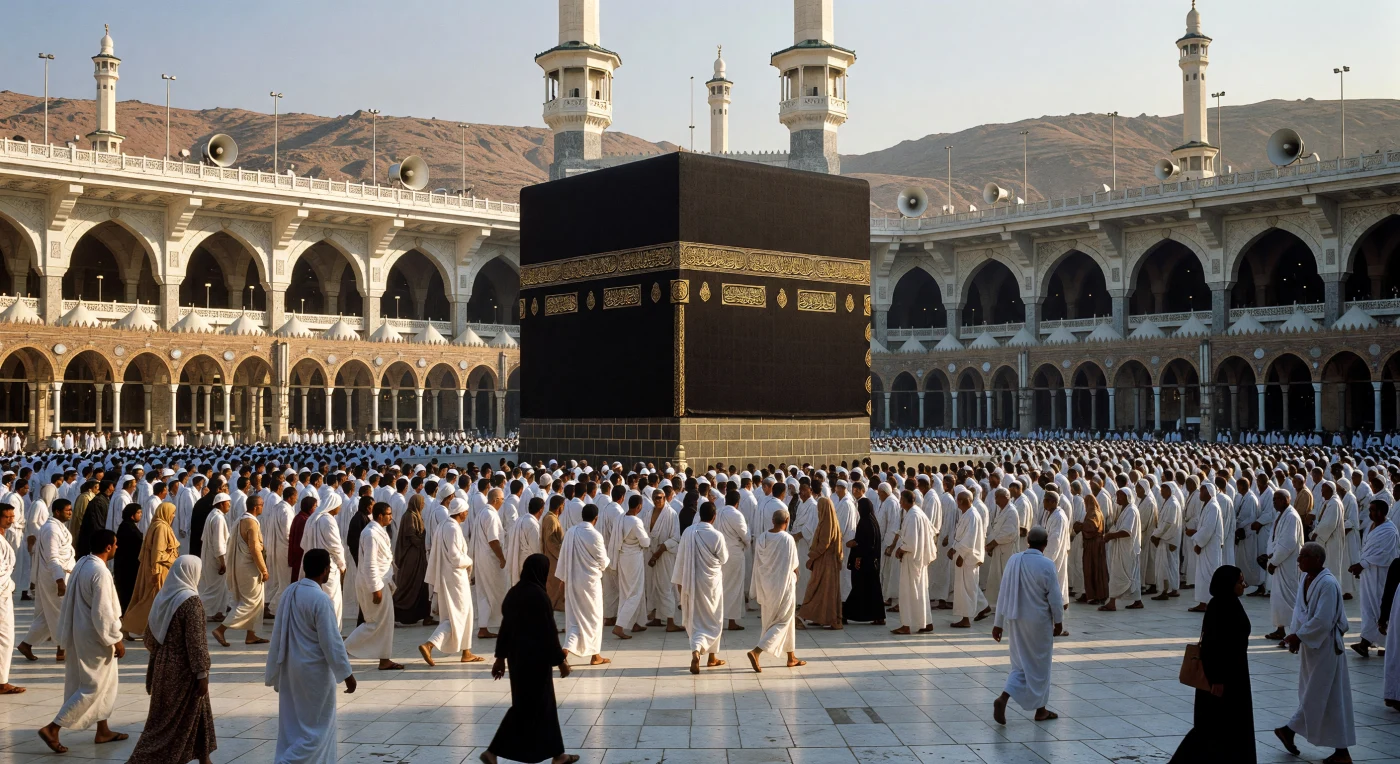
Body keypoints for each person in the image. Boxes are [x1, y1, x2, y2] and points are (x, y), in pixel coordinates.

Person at [481, 554, 578, 764]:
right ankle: (493, 751)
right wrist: (561, 660)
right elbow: (549, 632)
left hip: (518, 660)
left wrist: (500, 659)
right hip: (536, 660)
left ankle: (558, 754)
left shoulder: (514, 593)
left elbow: (505, 629)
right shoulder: (539, 596)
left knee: (538, 706)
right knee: (530, 707)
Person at [37, 529, 127, 754]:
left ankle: (103, 730)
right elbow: (104, 612)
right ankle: (53, 728)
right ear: (108, 547)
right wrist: (116, 639)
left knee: (105, 682)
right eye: (115, 544)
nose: (116, 547)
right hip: (95, 636)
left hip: (81, 631)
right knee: (92, 686)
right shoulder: (100, 572)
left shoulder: (83, 563)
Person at [265, 548, 357, 764]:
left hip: (290, 669)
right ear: (325, 570)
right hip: (314, 673)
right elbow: (332, 642)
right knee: (317, 728)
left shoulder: (290, 592)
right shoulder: (320, 599)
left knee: (293, 724)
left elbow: (278, 632)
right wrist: (347, 674)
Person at [127, 556, 217, 764]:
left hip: (161, 667)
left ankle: (205, 759)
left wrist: (163, 656)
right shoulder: (191, 602)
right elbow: (196, 643)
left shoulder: (163, 597)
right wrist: (202, 673)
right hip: (183, 671)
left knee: (196, 711)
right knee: (165, 727)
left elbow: (149, 637)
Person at [1275, 542, 1356, 764]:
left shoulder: (1328, 584)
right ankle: (1340, 751)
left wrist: (1298, 636)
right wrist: (1296, 636)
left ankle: (1290, 730)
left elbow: (1324, 619)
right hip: (1310, 647)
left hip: (1327, 647)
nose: (1299, 561)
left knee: (1323, 694)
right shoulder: (1305, 579)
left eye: (1303, 557)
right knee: (1319, 694)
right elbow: (1300, 612)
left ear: (1318, 560)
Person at [1169, 565, 1255, 763]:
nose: (1243, 585)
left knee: (1225, 727)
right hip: (1222, 679)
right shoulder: (1221, 607)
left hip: (1234, 675)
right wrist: (1217, 679)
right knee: (1212, 728)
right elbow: (1213, 647)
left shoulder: (1229, 603)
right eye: (1239, 581)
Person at [991, 527, 1065, 725]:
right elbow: (1055, 599)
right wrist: (1059, 622)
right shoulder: (1047, 565)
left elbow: (1003, 592)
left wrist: (998, 623)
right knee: (1040, 666)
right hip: (1038, 623)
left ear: (1028, 542)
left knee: (1020, 665)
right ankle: (1040, 710)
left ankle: (1004, 698)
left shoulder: (1014, 560)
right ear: (1045, 544)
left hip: (1015, 620)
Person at [420, 498, 483, 664]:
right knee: (460, 614)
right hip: (456, 577)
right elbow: (455, 557)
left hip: (447, 577)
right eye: (466, 511)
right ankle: (430, 644)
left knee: (460, 614)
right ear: (461, 512)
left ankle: (466, 651)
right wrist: (469, 560)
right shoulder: (453, 528)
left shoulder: (444, 525)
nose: (467, 514)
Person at [672, 501, 728, 673]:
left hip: (692, 582)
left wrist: (680, 582)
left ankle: (697, 651)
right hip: (711, 584)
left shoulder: (688, 532)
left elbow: (680, 558)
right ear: (714, 517)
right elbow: (724, 558)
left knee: (696, 619)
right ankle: (711, 656)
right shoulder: (717, 536)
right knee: (714, 617)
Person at [345, 502, 401, 670]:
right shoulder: (370, 534)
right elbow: (370, 563)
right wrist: (375, 589)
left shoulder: (378, 531)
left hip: (381, 581)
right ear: (380, 515)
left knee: (385, 623)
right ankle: (340, 649)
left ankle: (384, 659)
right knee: (373, 623)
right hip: (375, 583)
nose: (391, 517)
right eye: (388, 514)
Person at [746, 508, 804, 671]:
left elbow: (759, 563)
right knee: (783, 622)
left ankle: (791, 657)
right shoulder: (787, 539)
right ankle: (757, 651)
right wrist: (796, 578)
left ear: (773, 521)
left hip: (766, 587)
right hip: (783, 587)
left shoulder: (762, 538)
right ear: (786, 522)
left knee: (784, 621)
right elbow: (794, 566)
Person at [18, 498, 75, 663]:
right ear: (57, 512)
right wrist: (59, 580)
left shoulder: (58, 527)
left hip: (61, 574)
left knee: (48, 614)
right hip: (54, 577)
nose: (70, 512)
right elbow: (52, 557)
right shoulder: (51, 529)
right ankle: (61, 649)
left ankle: (26, 644)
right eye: (67, 510)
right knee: (61, 613)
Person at [556, 504, 611, 666]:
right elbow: (603, 561)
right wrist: (607, 562)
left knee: (574, 619)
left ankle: (565, 650)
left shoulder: (571, 532)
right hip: (590, 584)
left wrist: (563, 580)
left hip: (572, 581)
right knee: (594, 618)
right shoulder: (595, 535)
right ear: (596, 518)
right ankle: (595, 656)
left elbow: (563, 557)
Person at [213, 495, 268, 647]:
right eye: (262, 504)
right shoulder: (251, 523)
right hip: (249, 568)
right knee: (250, 602)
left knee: (257, 602)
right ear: (256, 507)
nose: (263, 507)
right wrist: (263, 569)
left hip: (241, 566)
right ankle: (221, 629)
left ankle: (251, 635)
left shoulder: (240, 520)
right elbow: (255, 548)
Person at [121, 501, 178, 638]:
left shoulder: (157, 525)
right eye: (172, 513)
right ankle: (128, 624)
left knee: (151, 600)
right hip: (159, 570)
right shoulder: (161, 528)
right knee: (151, 600)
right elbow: (157, 553)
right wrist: (156, 572)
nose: (174, 516)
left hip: (157, 569)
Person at [1349, 500, 1398, 657]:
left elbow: (1384, 554)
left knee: (1380, 605)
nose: (1370, 513)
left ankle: (1385, 643)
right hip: (1369, 573)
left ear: (1382, 512)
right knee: (1368, 607)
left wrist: (1363, 564)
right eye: (1369, 510)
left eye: (1373, 510)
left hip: (1381, 574)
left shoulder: (1389, 531)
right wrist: (1361, 566)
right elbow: (1368, 549)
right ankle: (1367, 641)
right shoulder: (1373, 526)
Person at [891, 489, 937, 635]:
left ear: (904, 501)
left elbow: (910, 542)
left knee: (908, 592)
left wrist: (900, 550)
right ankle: (926, 622)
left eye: (901, 500)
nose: (900, 503)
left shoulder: (913, 515)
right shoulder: (918, 512)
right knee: (920, 590)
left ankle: (906, 625)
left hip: (912, 559)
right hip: (919, 558)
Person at [1265, 491, 1305, 641]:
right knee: (1278, 597)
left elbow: (1288, 542)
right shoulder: (1281, 515)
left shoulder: (1291, 516)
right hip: (1278, 561)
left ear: (1286, 500)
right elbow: (1274, 538)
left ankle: (1296, 630)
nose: (1274, 502)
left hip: (1287, 563)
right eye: (1274, 499)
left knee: (1290, 597)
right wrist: (1271, 554)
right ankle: (1280, 628)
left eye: (1277, 500)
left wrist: (1274, 561)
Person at [798, 496, 843, 629]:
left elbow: (824, 543)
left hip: (824, 562)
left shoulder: (827, 523)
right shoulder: (830, 521)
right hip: (828, 563)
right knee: (825, 591)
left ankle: (802, 616)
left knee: (815, 589)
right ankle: (822, 617)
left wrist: (812, 556)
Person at [471, 488, 508, 640]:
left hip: (481, 558)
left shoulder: (482, 512)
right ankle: (502, 623)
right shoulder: (491, 515)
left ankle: (483, 627)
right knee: (499, 590)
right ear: (495, 500)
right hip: (491, 559)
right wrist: (502, 558)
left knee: (484, 593)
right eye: (502, 499)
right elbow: (493, 540)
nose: (503, 502)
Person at [611, 495, 650, 638]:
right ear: (639, 506)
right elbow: (645, 542)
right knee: (635, 593)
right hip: (633, 559)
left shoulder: (621, 517)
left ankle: (637, 622)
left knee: (626, 592)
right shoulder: (635, 521)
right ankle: (619, 626)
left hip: (623, 557)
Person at [949, 491, 990, 628]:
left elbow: (969, 539)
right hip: (964, 555)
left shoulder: (972, 515)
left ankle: (966, 619)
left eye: (958, 500)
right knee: (965, 588)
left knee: (968, 588)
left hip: (968, 558)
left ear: (962, 501)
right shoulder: (966, 514)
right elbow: (960, 535)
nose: (957, 502)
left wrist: (961, 555)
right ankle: (979, 609)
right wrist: (953, 548)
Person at [842, 496, 884, 624]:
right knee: (872, 590)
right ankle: (878, 616)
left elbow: (864, 543)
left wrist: (854, 548)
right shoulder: (872, 521)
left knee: (860, 589)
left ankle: (845, 613)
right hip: (872, 562)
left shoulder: (865, 522)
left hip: (865, 562)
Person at [392, 494, 433, 625]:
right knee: (408, 585)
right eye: (421, 503)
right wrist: (423, 541)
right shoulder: (410, 516)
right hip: (411, 557)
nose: (423, 505)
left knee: (421, 585)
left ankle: (425, 615)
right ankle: (394, 612)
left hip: (418, 556)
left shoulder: (416, 515)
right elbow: (411, 535)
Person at [1101, 489, 1143, 611]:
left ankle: (1112, 602)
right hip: (1122, 549)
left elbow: (1126, 531)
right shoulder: (1125, 510)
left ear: (1127, 497)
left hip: (1127, 549)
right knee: (1130, 575)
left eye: (1120, 496)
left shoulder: (1131, 511)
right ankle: (1137, 600)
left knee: (1119, 574)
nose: (1117, 498)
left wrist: (1110, 536)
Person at [197, 493, 231, 621]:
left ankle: (219, 612)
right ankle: (196, 610)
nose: (229, 506)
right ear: (221, 504)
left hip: (210, 555)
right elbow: (218, 542)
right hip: (215, 558)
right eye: (228, 503)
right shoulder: (218, 519)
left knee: (221, 588)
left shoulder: (213, 515)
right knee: (214, 589)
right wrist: (222, 562)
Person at [0, 503, 22, 694]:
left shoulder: (3, 538)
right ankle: (1, 682)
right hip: (1, 594)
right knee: (5, 637)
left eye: (12, 516)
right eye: (7, 516)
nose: (11, 519)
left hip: (5, 591)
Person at [1076, 494, 1109, 604]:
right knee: (1090, 569)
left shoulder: (1094, 512)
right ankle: (1091, 594)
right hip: (1091, 545)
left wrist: (1081, 526)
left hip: (1094, 545)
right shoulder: (1092, 512)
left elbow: (1092, 526)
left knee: (1095, 570)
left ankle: (1097, 595)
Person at [113, 504, 143, 617]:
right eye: (138, 513)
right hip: (128, 566)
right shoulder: (128, 528)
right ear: (132, 515)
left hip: (126, 564)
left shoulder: (128, 526)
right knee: (127, 591)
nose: (140, 515)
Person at [542, 495, 566, 611]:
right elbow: (550, 542)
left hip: (553, 558)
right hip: (553, 559)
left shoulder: (551, 518)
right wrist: (561, 555)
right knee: (554, 587)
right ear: (559, 507)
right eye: (563, 506)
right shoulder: (551, 519)